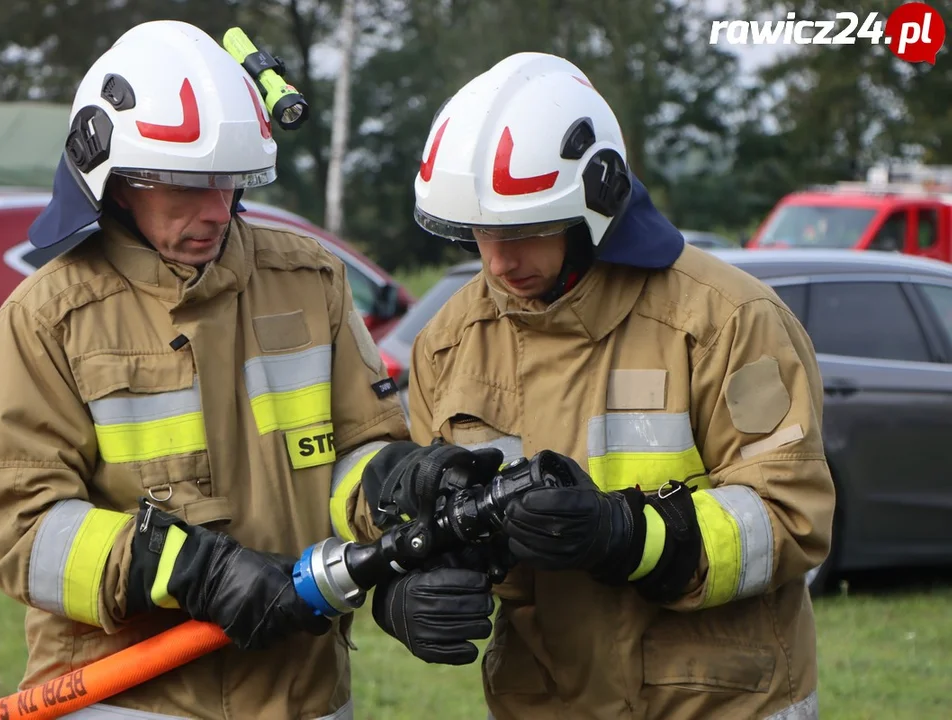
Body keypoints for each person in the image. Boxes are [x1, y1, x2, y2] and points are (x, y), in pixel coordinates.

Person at [0, 20, 497, 720]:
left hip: (304, 698)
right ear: (111, 182)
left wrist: (394, 484)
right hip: (130, 700)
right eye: (183, 186)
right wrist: (186, 571)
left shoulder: (309, 282)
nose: (215, 212)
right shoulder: (49, 318)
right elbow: (15, 525)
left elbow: (355, 453)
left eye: (230, 183)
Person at [337, 52, 834, 719]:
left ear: (596, 204)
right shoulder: (450, 343)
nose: (497, 259)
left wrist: (628, 536)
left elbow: (790, 518)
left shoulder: (727, 320)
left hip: (716, 704)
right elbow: (441, 519)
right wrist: (406, 594)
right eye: (480, 231)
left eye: (525, 230)